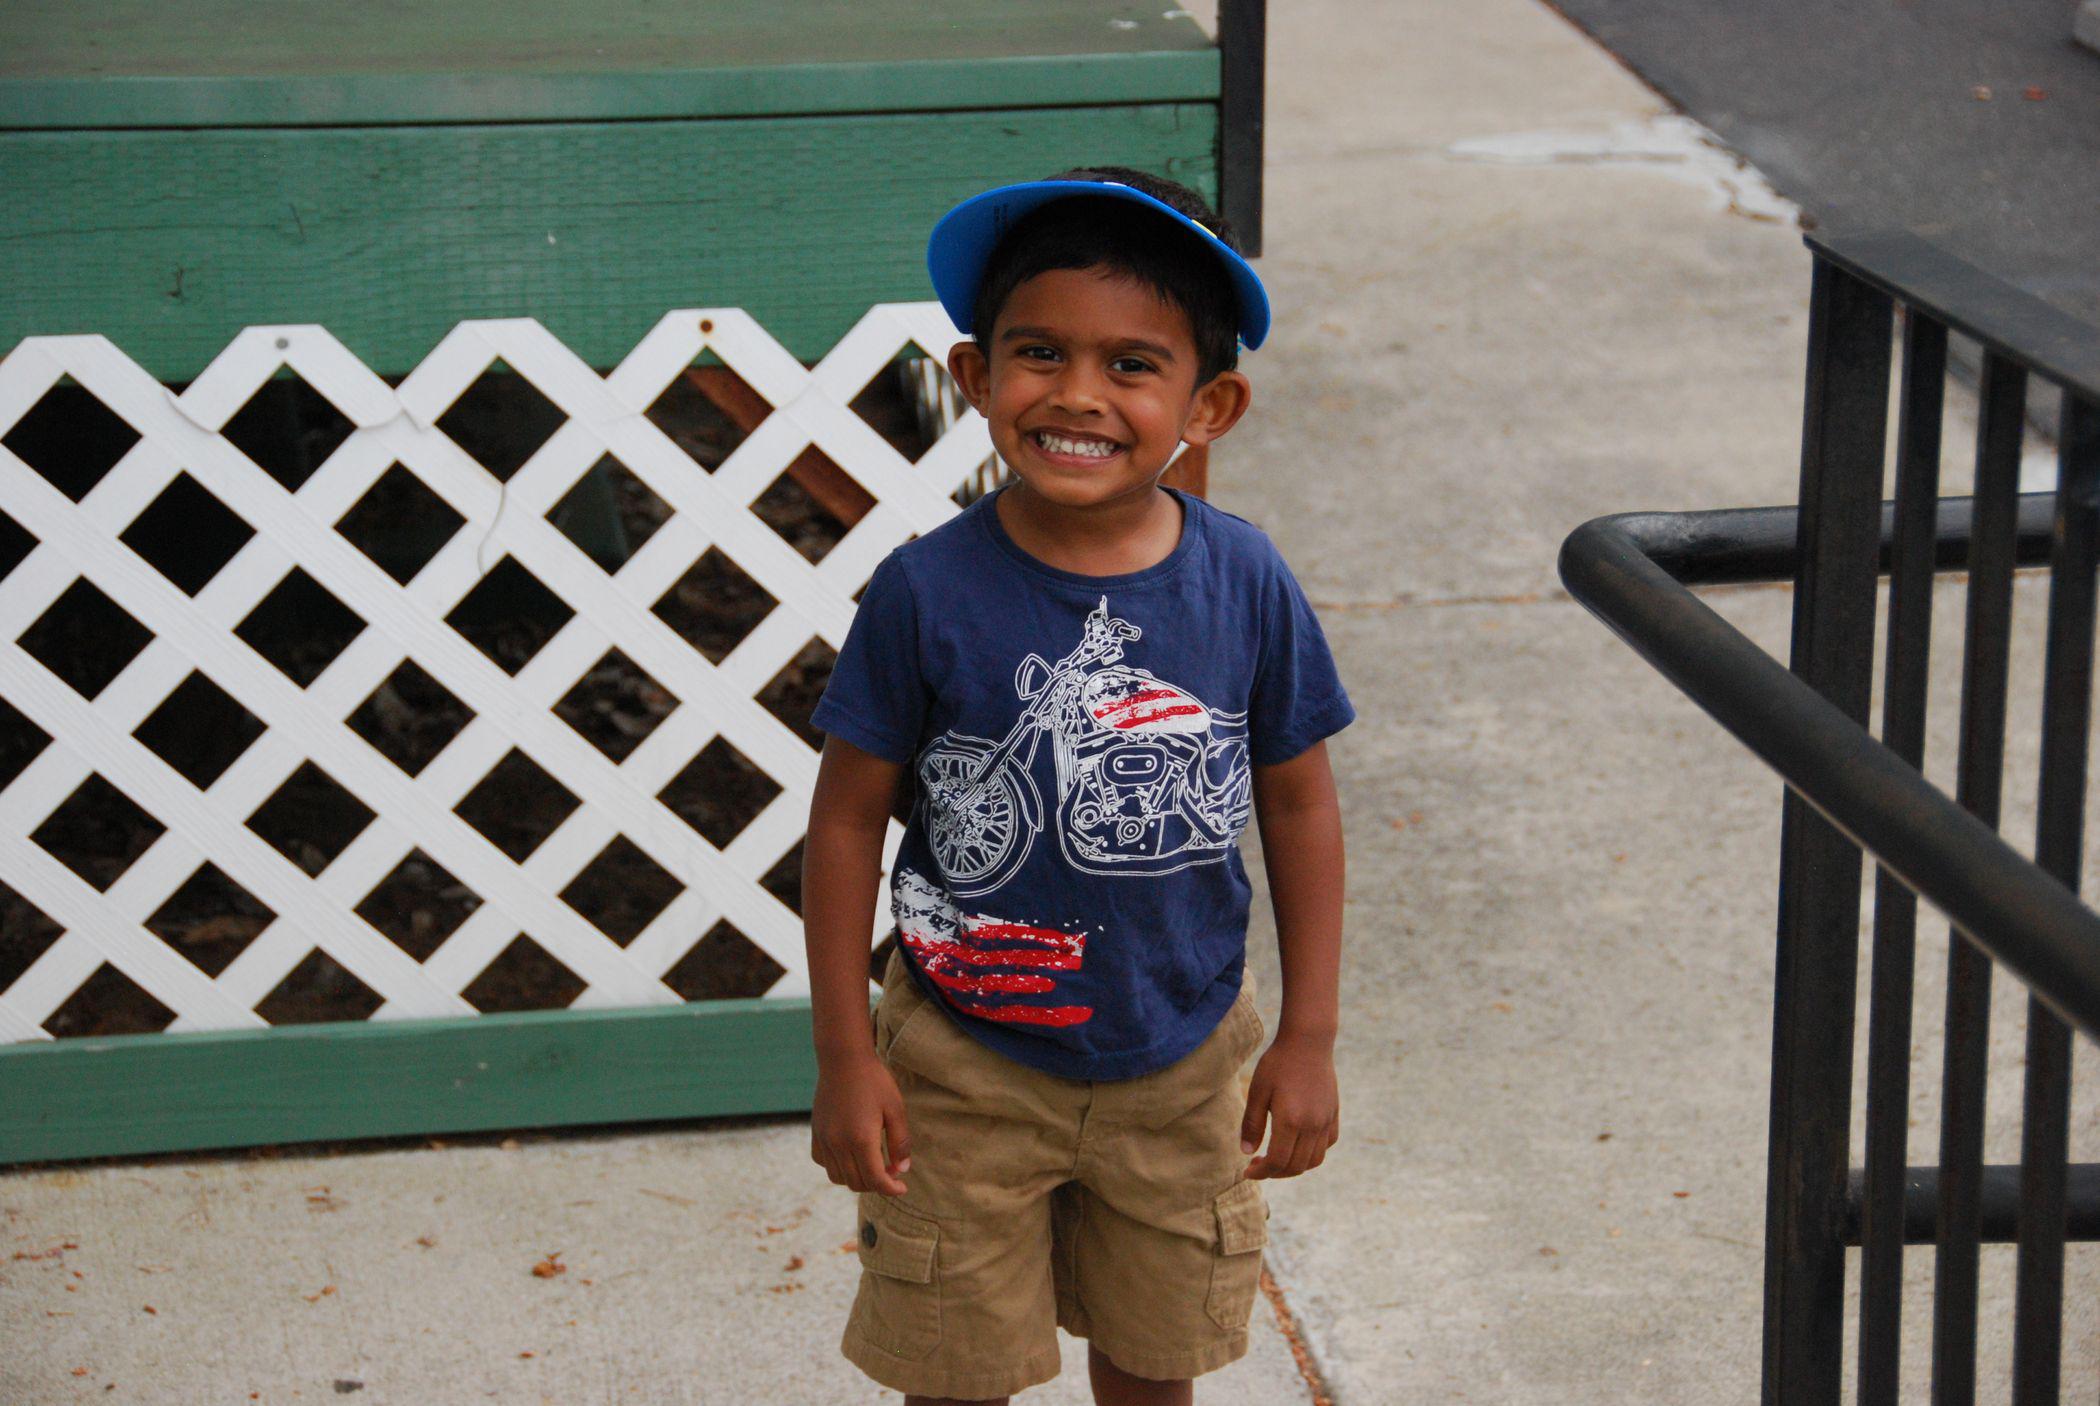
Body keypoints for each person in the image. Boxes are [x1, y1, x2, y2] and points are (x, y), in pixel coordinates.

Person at [802, 166, 1354, 1406]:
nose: (1078, 393)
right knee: (954, 1372)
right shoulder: (925, 591)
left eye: (1132, 364)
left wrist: (1309, 1035)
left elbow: (1301, 803)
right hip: (964, 1060)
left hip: (1183, 1055)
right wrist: (844, 1051)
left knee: (1156, 1362)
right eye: (1040, 351)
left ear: (1209, 404)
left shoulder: (1246, 580)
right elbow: (843, 822)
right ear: (977, 372)